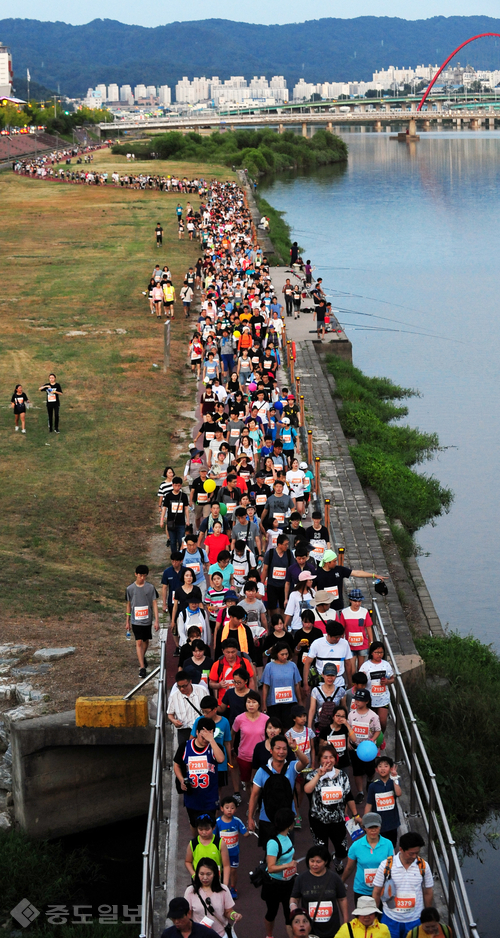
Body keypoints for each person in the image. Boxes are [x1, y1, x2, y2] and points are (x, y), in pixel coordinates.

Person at [304, 746, 361, 873]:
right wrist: (318, 775)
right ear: (320, 760)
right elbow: (307, 790)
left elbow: (348, 796)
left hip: (338, 820)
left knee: (343, 850)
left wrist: (356, 815)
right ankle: (325, 874)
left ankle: (337, 859)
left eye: (331, 757)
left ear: (335, 759)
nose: (328, 760)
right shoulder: (312, 776)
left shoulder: (342, 776)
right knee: (321, 851)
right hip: (318, 820)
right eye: (325, 757)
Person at [248, 734, 308, 846]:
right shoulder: (262, 771)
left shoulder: (292, 767)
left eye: (284, 749)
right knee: (269, 854)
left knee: (288, 853)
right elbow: (254, 795)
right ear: (271, 751)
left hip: (287, 819)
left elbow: (305, 762)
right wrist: (250, 818)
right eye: (278, 748)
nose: (281, 752)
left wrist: (295, 748)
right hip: (266, 819)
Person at [372, 832, 434, 938]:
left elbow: (428, 892)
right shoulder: (386, 865)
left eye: (417, 853)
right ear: (401, 849)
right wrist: (374, 916)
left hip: (415, 920)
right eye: (411, 853)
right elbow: (376, 892)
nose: (414, 857)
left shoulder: (423, 866)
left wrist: (427, 917)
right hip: (390, 920)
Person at [173, 717, 226, 833]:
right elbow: (176, 765)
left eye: (208, 736)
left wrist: (212, 741)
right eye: (203, 737)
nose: (205, 740)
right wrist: (181, 780)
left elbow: (221, 759)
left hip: (210, 796)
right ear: (196, 732)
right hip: (192, 797)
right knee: (194, 823)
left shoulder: (215, 747)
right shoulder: (185, 747)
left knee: (210, 825)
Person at [290, 845, 348, 938]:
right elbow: (294, 898)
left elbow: (342, 899)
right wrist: (293, 906)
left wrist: (345, 922)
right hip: (311, 929)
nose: (314, 865)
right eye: (312, 861)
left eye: (318, 862)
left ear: (325, 862)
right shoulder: (301, 879)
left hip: (332, 928)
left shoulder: (334, 878)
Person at [342, 812, 394, 906]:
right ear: (364, 827)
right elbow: (349, 867)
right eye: (370, 827)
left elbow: (392, 867)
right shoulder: (356, 846)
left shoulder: (388, 844)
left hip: (382, 890)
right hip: (362, 891)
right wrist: (341, 882)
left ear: (380, 827)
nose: (373, 830)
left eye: (376, 827)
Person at [262, 808, 298, 936]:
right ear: (289, 824)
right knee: (272, 912)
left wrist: (291, 867)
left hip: (288, 882)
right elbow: (271, 867)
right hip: (273, 884)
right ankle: (269, 935)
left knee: (289, 914)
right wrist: (288, 865)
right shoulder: (273, 843)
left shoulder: (287, 837)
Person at [184, 858, 241, 937]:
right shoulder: (190, 891)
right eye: (201, 874)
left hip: (220, 935)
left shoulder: (223, 890)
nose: (205, 878)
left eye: (208, 874)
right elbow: (187, 915)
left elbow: (228, 911)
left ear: (214, 874)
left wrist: (234, 915)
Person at [315, 551, 385, 614]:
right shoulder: (317, 574)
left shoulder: (339, 570)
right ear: (327, 562)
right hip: (323, 608)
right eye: (334, 561)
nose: (336, 563)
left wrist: (374, 575)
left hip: (338, 607)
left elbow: (357, 573)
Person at [347, 689, 382, 804]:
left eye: (360, 700)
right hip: (355, 747)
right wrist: (348, 741)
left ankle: (370, 780)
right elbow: (349, 729)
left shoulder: (373, 716)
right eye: (356, 699)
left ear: (367, 701)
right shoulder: (351, 714)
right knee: (357, 771)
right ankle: (360, 792)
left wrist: (372, 740)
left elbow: (378, 730)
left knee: (370, 769)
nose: (357, 702)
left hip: (368, 749)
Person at [303, 621, 354, 698]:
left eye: (339, 637)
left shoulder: (345, 644)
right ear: (329, 635)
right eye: (336, 637)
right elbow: (307, 663)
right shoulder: (317, 644)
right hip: (321, 683)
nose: (338, 639)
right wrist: (305, 683)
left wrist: (350, 682)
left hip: (339, 682)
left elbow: (348, 663)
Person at [125, 564, 159, 678]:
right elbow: (129, 605)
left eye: (144, 576)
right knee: (138, 641)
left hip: (147, 619)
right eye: (140, 575)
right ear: (136, 574)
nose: (142, 578)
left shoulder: (150, 588)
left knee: (145, 641)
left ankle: (142, 656)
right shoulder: (130, 589)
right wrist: (127, 621)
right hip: (136, 620)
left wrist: (156, 620)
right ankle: (142, 667)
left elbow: (154, 603)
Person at [232, 689, 268, 787]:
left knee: (262, 783)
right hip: (244, 757)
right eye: (248, 702)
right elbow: (233, 734)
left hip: (261, 756)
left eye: (254, 702)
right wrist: (232, 749)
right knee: (247, 783)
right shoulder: (239, 719)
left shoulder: (266, 719)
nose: (251, 705)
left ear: (259, 704)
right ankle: (251, 802)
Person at [215, 795, 249, 898]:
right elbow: (214, 837)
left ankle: (233, 888)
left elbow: (245, 833)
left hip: (234, 853)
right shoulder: (218, 822)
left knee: (233, 871)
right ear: (222, 809)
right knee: (220, 871)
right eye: (227, 807)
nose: (229, 810)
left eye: (232, 808)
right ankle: (220, 887)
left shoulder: (237, 821)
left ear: (236, 809)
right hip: (221, 853)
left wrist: (249, 831)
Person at [262, 642, 302, 728]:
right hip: (274, 703)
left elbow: (297, 684)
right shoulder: (269, 667)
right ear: (276, 654)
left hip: (290, 702)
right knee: (275, 727)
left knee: (288, 727)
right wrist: (264, 703)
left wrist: (300, 700)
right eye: (282, 654)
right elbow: (265, 686)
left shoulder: (292, 666)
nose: (285, 657)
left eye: (286, 654)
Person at [365, 757, 402, 848]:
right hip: (378, 823)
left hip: (393, 823)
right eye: (380, 766)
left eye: (386, 766)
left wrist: (395, 779)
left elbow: (398, 793)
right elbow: (369, 804)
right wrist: (365, 820)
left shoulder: (394, 782)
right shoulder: (373, 786)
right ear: (376, 770)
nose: (383, 768)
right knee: (379, 846)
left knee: (391, 846)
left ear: (390, 768)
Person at [185, 816, 231, 886]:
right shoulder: (193, 844)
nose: (204, 832)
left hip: (216, 881)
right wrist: (194, 875)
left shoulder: (220, 843)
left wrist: (225, 885)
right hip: (199, 881)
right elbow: (188, 861)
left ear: (213, 827)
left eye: (207, 829)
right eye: (200, 829)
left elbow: (226, 865)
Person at [360, 642, 395, 734]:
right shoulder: (365, 666)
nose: (379, 655)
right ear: (371, 652)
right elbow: (360, 680)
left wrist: (387, 682)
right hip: (370, 699)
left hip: (383, 698)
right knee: (370, 723)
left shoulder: (386, 664)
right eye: (377, 652)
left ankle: (380, 738)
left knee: (382, 722)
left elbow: (392, 679)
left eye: (381, 652)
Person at [167, 670, 208, 747]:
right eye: (179, 686)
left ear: (190, 682)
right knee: (185, 754)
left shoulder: (202, 691)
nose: (182, 689)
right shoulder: (174, 696)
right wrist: (174, 721)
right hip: (184, 730)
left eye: (185, 686)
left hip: (201, 729)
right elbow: (170, 714)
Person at [339, 590, 374, 670]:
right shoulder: (344, 612)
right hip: (349, 645)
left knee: (361, 668)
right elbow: (342, 629)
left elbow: (368, 627)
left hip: (363, 644)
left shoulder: (364, 612)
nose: (357, 603)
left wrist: (371, 642)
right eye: (355, 601)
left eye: (359, 601)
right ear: (350, 600)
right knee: (352, 668)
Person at [261, 533, 294, 612]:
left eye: (287, 544)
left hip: (284, 585)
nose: (287, 546)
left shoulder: (289, 554)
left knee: (284, 607)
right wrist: (262, 584)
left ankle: (282, 623)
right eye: (285, 544)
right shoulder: (270, 553)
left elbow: (292, 569)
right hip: (272, 585)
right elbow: (265, 569)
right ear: (279, 544)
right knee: (272, 607)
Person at [161, 476, 190, 554]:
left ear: (181, 486)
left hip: (181, 522)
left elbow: (186, 508)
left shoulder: (183, 496)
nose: (177, 487)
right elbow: (164, 508)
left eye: (179, 485)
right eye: (175, 485)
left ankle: (181, 556)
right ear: (172, 485)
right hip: (171, 522)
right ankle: (174, 557)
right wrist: (162, 520)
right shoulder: (168, 496)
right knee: (173, 541)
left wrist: (187, 520)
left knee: (181, 541)